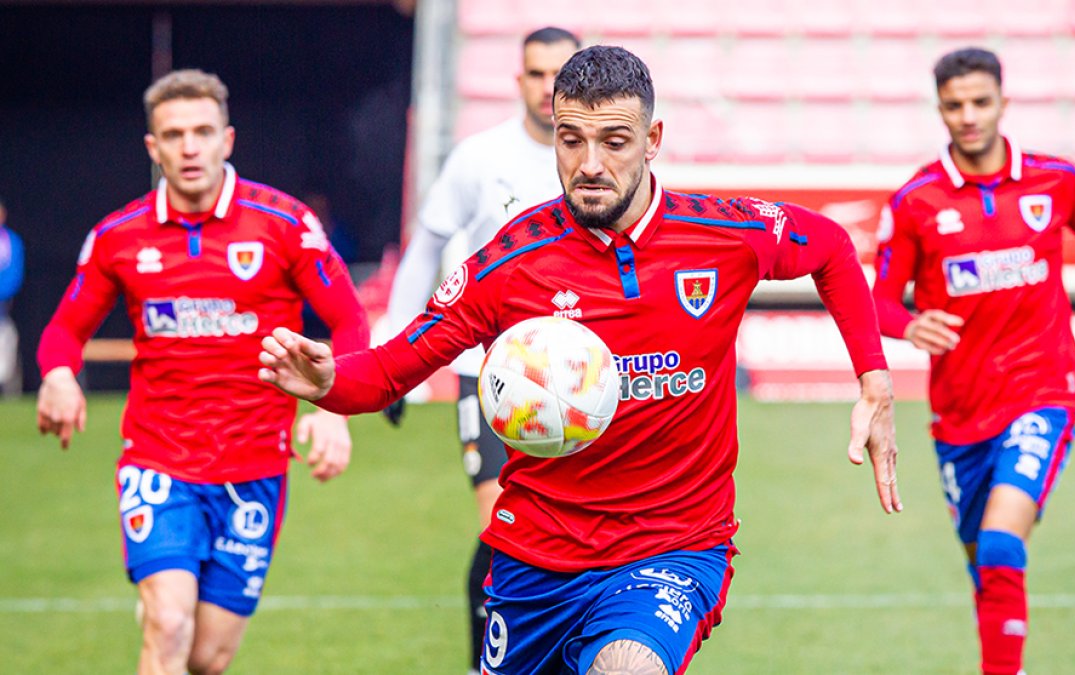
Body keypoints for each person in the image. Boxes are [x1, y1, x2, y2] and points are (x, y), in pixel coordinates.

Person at [260, 45, 902, 674]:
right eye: (571, 139)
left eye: (614, 141)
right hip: (535, 560)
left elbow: (830, 248)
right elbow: (391, 370)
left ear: (653, 138)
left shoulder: (723, 235)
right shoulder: (509, 263)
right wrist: (329, 382)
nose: (590, 164)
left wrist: (875, 381)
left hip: (672, 551)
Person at [35, 69, 368, 675]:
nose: (189, 147)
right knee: (168, 624)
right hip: (158, 459)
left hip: (255, 466)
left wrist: (331, 409)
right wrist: (58, 374)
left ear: (228, 139)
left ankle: (174, 606)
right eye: (174, 134)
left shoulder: (286, 225)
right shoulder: (118, 236)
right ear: (152, 147)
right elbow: (63, 331)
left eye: (202, 132)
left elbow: (349, 323)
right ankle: (166, 600)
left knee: (207, 657)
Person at [872, 47, 1075, 675]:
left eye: (980, 102)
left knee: (1001, 541)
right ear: (939, 108)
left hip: (1043, 390)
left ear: (1003, 100)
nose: (968, 116)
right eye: (954, 105)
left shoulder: (1057, 179)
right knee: (986, 566)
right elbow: (879, 303)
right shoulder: (915, 201)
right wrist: (913, 324)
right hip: (960, 413)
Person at [383, 25, 579, 672]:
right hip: (492, 372)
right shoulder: (479, 157)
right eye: (536, 73)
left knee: (575, 529)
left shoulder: (602, 158)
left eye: (561, 72)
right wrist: (394, 359)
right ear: (517, 80)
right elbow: (424, 248)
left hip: (583, 378)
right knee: (505, 528)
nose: (549, 86)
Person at [0, 197, 24, 396]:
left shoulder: (11, 241)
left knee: (6, 360)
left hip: (3, 311)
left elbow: (14, 276)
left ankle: (10, 399)